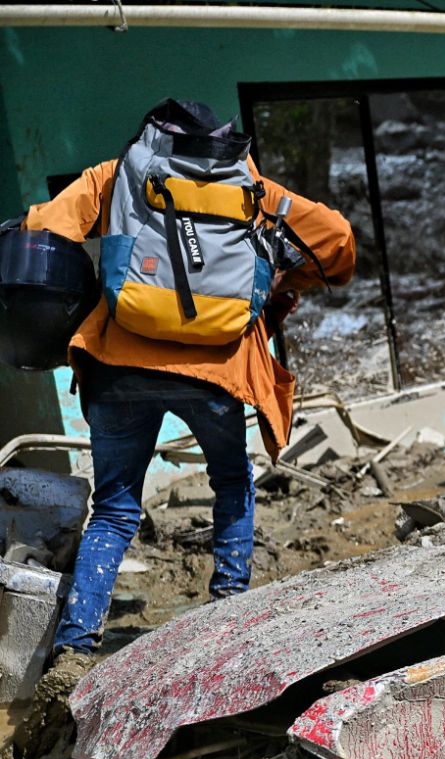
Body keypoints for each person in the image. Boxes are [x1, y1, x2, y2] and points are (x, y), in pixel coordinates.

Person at [25, 99, 355, 688]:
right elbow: (337, 240)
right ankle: (226, 614)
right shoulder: (252, 187)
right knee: (230, 483)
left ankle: (75, 650)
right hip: (217, 370)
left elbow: (44, 229)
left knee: (116, 509)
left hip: (118, 365)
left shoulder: (118, 174)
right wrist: (282, 275)